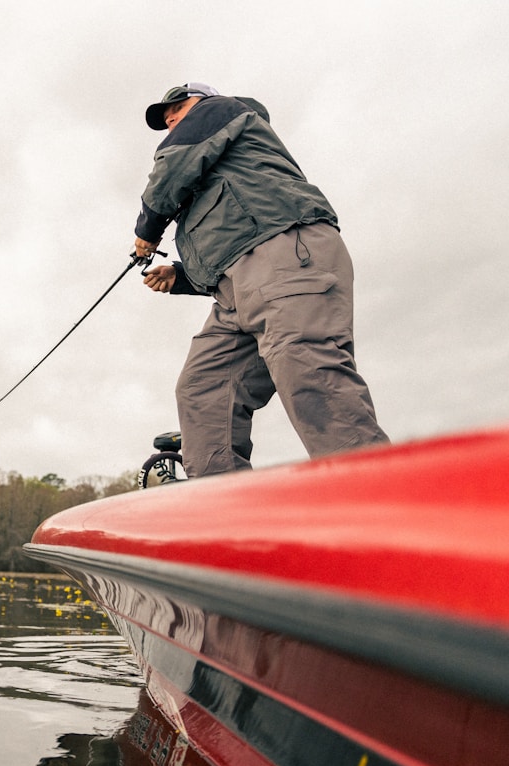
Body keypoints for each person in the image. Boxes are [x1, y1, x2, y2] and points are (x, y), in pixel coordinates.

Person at [133, 83, 388, 477]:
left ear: (201, 101)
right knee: (203, 388)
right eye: (166, 120)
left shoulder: (220, 110)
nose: (171, 120)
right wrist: (180, 275)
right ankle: (222, 507)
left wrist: (147, 231)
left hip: (287, 254)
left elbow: (172, 168)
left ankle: (376, 493)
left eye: (177, 108)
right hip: (237, 293)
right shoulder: (213, 164)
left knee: (307, 370)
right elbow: (233, 242)